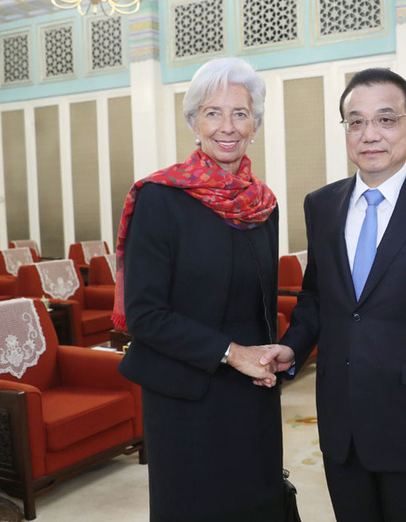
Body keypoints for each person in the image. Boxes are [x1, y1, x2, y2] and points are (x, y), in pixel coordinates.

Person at [260, 68, 406, 521]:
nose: (370, 134)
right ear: (345, 129)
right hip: (341, 421)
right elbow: (317, 299)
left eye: (386, 120)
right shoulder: (321, 205)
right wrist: (292, 346)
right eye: (356, 121)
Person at [113, 57, 286, 521]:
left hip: (252, 392)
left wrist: (271, 356)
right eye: (213, 112)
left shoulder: (263, 204)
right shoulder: (159, 198)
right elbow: (145, 314)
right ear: (194, 122)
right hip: (184, 396)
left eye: (240, 113)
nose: (227, 126)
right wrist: (232, 353)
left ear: (256, 124)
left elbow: (263, 305)